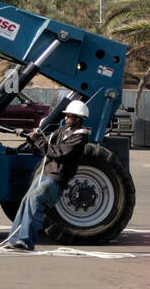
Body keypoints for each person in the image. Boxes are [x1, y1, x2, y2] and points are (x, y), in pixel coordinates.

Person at [5, 99, 90, 251]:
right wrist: (31, 137)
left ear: (78, 118)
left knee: (35, 199)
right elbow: (47, 141)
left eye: (68, 116)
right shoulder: (63, 131)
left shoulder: (80, 137)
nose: (65, 118)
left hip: (56, 178)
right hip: (46, 173)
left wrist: (37, 141)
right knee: (25, 200)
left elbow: (58, 153)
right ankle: (14, 239)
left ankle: (25, 242)